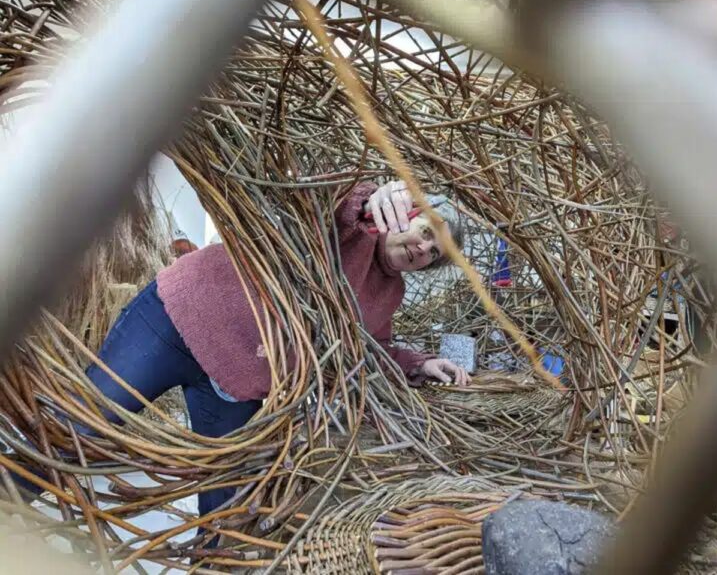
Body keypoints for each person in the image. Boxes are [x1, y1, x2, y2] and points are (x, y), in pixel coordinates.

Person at [36, 180, 469, 523]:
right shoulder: (354, 225)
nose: (422, 250)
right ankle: (13, 496)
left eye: (434, 254)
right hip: (177, 322)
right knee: (76, 429)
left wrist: (420, 363)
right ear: (407, 215)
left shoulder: (390, 294)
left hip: (234, 383)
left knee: (225, 506)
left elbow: (370, 350)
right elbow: (322, 199)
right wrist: (371, 198)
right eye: (425, 233)